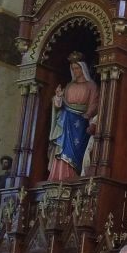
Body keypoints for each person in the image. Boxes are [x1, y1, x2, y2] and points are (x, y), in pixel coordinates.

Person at [48, 52, 100, 181]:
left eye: (77, 68)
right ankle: (58, 176)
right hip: (66, 120)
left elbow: (95, 103)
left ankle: (72, 176)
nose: (75, 71)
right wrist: (58, 97)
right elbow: (60, 105)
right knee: (62, 147)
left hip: (80, 122)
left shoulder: (91, 86)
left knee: (77, 149)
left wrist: (87, 114)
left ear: (83, 68)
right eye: (73, 69)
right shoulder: (70, 85)